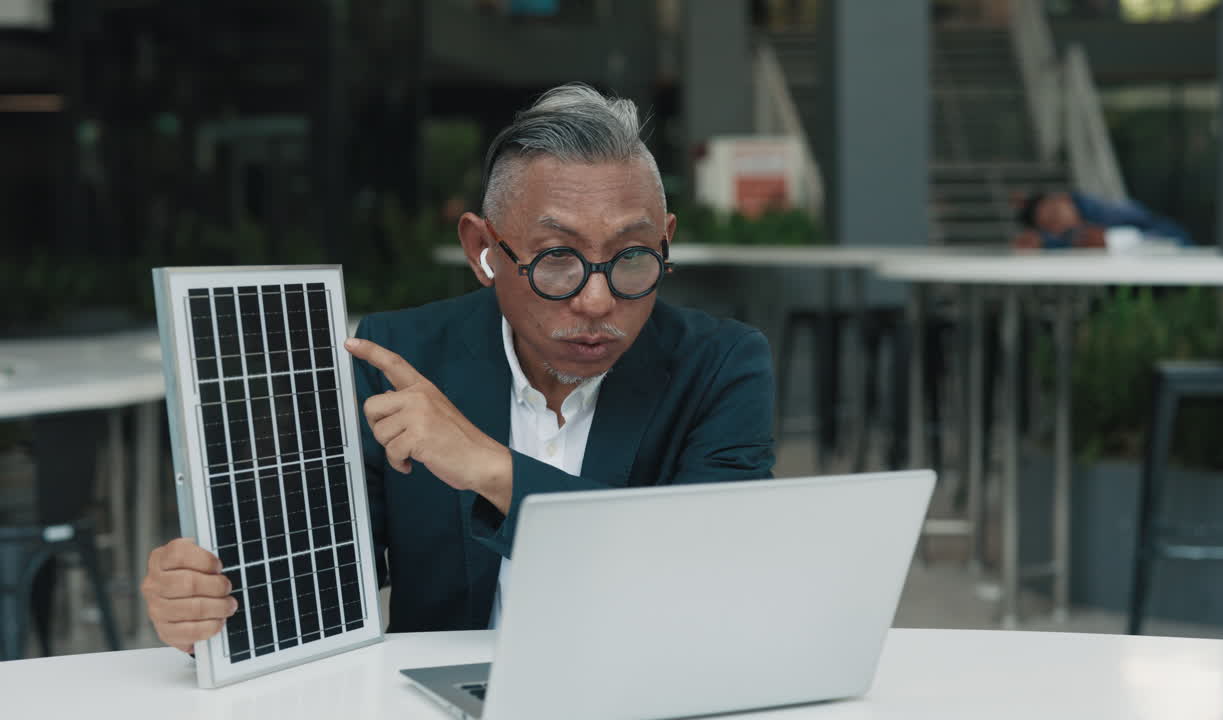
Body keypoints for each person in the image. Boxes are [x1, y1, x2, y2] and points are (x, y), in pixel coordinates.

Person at [140, 83, 776, 652]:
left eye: (633, 256)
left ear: (666, 240)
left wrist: (489, 467)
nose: (597, 300)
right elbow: (312, 586)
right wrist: (201, 609)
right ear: (483, 251)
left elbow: (707, 570)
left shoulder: (721, 365)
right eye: (557, 258)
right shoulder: (403, 355)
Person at [1013, 190, 1191, 250]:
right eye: (1050, 225)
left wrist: (1112, 240)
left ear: (1063, 199)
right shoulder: (1074, 234)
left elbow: (1175, 237)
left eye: (1055, 212)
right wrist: (1042, 242)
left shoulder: (1109, 213)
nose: (1059, 222)